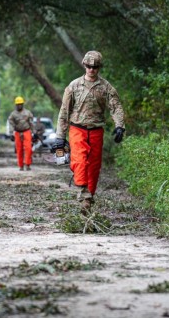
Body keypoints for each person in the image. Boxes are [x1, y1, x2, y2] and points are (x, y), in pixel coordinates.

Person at [54, 51, 125, 215]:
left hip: (96, 131)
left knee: (93, 168)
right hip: (77, 129)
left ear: (99, 68)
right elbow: (64, 111)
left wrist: (120, 126)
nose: (91, 70)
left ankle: (89, 198)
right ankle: (83, 195)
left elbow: (116, 107)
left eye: (95, 67)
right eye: (89, 66)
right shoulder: (73, 86)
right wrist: (60, 136)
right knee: (79, 162)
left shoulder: (106, 87)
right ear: (84, 66)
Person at [7, 96, 34, 171]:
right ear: (16, 105)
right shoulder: (13, 114)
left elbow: (31, 123)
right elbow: (11, 124)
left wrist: (34, 133)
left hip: (27, 131)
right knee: (19, 150)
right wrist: (11, 133)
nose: (19, 105)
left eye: (20, 104)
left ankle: (28, 164)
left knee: (28, 149)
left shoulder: (28, 113)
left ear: (23, 104)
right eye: (18, 104)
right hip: (17, 133)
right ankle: (21, 166)